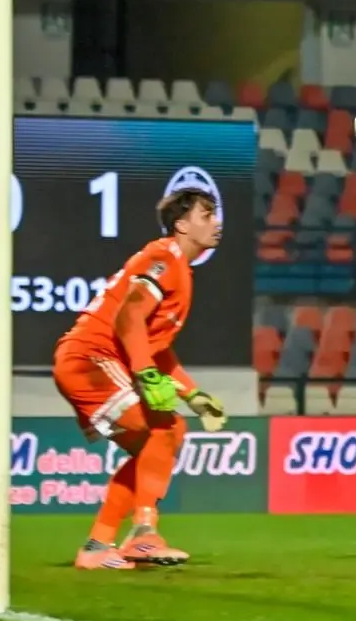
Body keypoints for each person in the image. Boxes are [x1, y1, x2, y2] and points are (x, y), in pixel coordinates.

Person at [52, 188, 227, 571]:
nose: (217, 222)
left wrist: (192, 393)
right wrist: (146, 375)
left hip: (94, 360)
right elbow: (128, 317)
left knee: (161, 438)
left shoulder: (181, 269)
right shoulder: (164, 256)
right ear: (182, 224)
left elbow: (156, 347)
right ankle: (143, 534)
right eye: (207, 214)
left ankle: (98, 546)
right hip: (90, 358)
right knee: (164, 429)